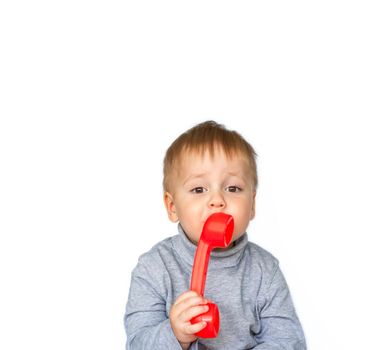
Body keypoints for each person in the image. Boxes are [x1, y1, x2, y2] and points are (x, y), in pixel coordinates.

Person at [124, 121, 306, 349]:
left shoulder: (264, 270)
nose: (217, 200)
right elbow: (137, 344)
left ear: (252, 206)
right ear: (172, 207)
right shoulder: (153, 268)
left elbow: (288, 341)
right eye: (198, 189)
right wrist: (175, 334)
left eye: (233, 188)